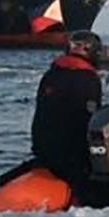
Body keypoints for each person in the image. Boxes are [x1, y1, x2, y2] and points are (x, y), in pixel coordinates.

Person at [31, 30, 103, 188]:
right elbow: (89, 118)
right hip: (72, 156)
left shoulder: (50, 75)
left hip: (44, 151)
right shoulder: (89, 79)